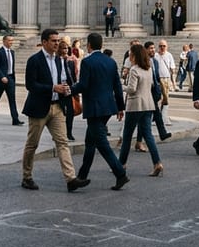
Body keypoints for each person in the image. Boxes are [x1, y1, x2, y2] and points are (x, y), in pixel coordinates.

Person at [20, 28, 87, 192]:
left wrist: (66, 89)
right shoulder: (34, 60)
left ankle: (71, 178)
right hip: (39, 108)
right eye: (54, 41)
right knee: (32, 144)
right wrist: (52, 88)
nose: (57, 43)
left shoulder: (59, 60)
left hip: (57, 107)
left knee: (62, 142)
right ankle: (27, 177)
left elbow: (62, 80)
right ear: (44, 42)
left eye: (58, 41)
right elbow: (31, 85)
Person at [71, 33, 129, 190]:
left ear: (89, 45)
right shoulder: (110, 62)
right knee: (91, 141)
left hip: (94, 108)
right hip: (108, 107)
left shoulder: (87, 62)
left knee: (101, 143)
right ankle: (82, 175)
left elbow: (83, 85)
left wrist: (69, 89)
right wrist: (120, 107)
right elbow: (117, 86)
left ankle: (120, 174)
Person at [118, 42, 165, 177]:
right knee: (148, 135)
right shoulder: (148, 68)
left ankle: (121, 164)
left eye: (130, 54)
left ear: (134, 55)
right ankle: (157, 163)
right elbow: (149, 84)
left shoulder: (134, 69)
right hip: (148, 104)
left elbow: (132, 89)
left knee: (127, 136)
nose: (129, 56)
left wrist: (122, 86)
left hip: (135, 105)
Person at [0, 35, 23, 125]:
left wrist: (12, 78)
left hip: (10, 78)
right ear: (4, 41)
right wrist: (2, 76)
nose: (11, 42)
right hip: (0, 79)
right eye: (9, 40)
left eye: (12, 40)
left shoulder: (12, 52)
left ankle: (15, 119)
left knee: (12, 99)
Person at [61, 39, 80, 140]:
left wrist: (74, 90)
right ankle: (60, 131)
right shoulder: (56, 61)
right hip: (59, 90)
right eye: (63, 49)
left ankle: (69, 132)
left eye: (66, 49)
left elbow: (72, 78)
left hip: (68, 90)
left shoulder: (70, 63)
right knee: (61, 112)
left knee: (70, 111)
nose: (65, 51)